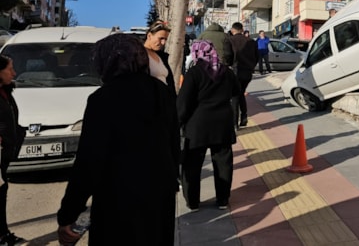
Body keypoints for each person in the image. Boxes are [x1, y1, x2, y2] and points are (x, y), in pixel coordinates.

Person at [57, 34, 179, 246]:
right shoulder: (162, 92)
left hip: (118, 200)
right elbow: (173, 143)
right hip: (159, 194)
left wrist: (68, 214)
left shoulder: (103, 98)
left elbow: (89, 161)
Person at [177, 40, 240, 211]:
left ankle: (193, 202)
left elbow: (184, 102)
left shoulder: (194, 73)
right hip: (222, 124)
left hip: (198, 125)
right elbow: (236, 91)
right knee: (223, 162)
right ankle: (222, 200)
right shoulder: (226, 72)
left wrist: (178, 122)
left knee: (192, 164)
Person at [0, 55, 27, 245]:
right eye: (10, 68)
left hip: (4, 154)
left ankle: (3, 234)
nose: (14, 72)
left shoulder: (6, 92)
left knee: (2, 192)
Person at [226, 23, 259, 128]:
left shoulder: (230, 40)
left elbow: (228, 56)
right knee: (241, 93)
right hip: (248, 72)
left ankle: (234, 123)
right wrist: (251, 66)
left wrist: (229, 65)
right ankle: (244, 117)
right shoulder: (251, 41)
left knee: (235, 96)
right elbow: (257, 56)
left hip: (236, 71)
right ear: (242, 29)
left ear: (232, 30)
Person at [145, 20, 176, 90]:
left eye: (165, 39)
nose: (163, 43)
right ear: (149, 36)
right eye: (161, 38)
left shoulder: (162, 57)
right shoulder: (139, 55)